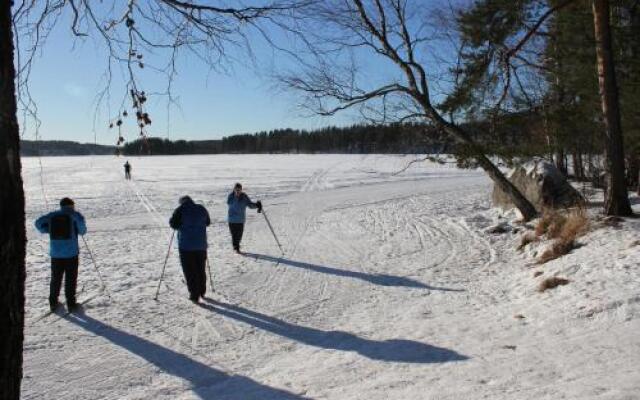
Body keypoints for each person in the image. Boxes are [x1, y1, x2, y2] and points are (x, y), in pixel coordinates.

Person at [35, 197, 87, 312]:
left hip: (56, 253)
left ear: (61, 205)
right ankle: (71, 303)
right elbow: (83, 231)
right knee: (71, 278)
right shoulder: (75, 215)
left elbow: (38, 223)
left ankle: (53, 302)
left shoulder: (53, 215)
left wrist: (47, 229)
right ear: (72, 205)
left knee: (56, 278)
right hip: (71, 253)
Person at [169, 196, 211, 303]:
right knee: (200, 268)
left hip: (186, 247)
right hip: (201, 245)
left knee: (190, 271)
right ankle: (202, 291)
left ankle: (194, 294)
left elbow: (173, 224)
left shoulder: (180, 210)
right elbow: (208, 222)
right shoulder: (201, 208)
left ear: (182, 202)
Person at [227, 183, 262, 254]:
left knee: (239, 235)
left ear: (241, 190)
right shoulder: (231, 197)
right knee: (234, 234)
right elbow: (229, 203)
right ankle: (236, 248)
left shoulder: (244, 197)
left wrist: (257, 205)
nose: (237, 191)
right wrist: (236, 197)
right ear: (234, 189)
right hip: (232, 220)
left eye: (239, 190)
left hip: (240, 220)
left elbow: (250, 205)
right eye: (236, 190)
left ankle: (237, 246)